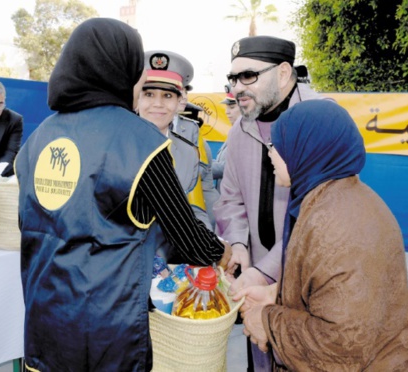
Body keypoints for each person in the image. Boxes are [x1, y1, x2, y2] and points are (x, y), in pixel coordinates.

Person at [15, 18, 231, 372]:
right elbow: (190, 241)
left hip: (44, 319)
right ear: (120, 71)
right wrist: (223, 251)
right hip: (106, 330)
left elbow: (27, 224)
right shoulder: (141, 142)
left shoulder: (39, 138)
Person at [233, 100, 408, 371]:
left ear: (306, 149)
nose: (270, 153)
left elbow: (341, 347)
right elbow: (332, 293)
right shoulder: (338, 199)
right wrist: (278, 294)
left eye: (277, 145)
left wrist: (268, 322)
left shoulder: (335, 225)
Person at [213, 35, 333, 371]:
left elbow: (319, 220)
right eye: (234, 78)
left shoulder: (317, 120)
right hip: (254, 281)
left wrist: (264, 271)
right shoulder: (240, 128)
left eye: (248, 76)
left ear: (283, 73)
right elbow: (231, 198)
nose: (238, 88)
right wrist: (237, 243)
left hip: (304, 282)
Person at [138, 50, 215, 231]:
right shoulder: (114, 145)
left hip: (172, 254)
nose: (158, 104)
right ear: (137, 98)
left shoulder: (188, 153)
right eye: (149, 94)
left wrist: (210, 246)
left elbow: (194, 209)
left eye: (168, 96)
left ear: (180, 101)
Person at [211, 84, 241, 197]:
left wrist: (198, 168)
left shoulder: (247, 134)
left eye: (232, 107)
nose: (227, 112)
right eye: (227, 107)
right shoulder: (235, 131)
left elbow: (231, 168)